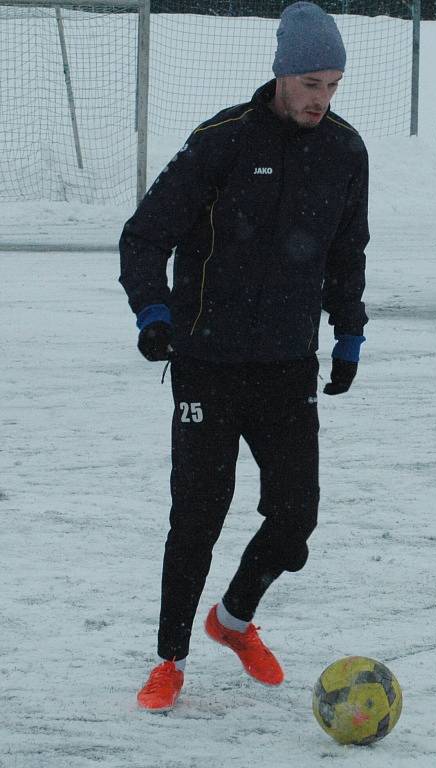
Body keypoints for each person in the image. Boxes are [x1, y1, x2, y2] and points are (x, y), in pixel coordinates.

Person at [119, 0, 369, 712]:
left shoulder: (345, 152)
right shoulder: (222, 142)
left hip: (288, 364)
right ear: (283, 74)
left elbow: (346, 252)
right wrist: (154, 314)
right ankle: (170, 658)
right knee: (199, 514)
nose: (322, 100)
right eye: (312, 84)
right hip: (207, 362)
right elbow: (143, 237)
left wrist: (348, 331)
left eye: (333, 86)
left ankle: (232, 620)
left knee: (296, 517)